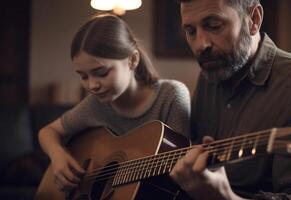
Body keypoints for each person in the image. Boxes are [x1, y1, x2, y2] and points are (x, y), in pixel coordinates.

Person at [170, 0, 291, 199]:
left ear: (254, 20)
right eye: (190, 32)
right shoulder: (210, 76)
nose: (201, 44)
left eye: (214, 26)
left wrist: (225, 197)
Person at [38, 13, 191, 192]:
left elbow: (180, 166)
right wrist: (58, 156)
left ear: (132, 60)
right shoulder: (95, 106)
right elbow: (47, 132)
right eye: (83, 76)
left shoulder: (171, 96)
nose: (92, 85)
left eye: (101, 73)